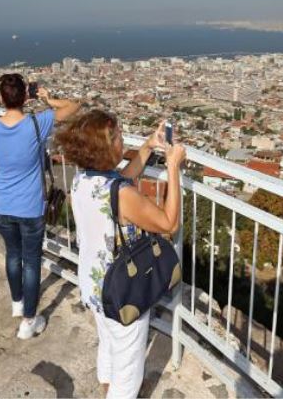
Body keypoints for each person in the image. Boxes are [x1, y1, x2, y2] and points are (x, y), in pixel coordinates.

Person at [54, 110, 185, 399]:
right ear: (105, 148)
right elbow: (168, 223)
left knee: (109, 343)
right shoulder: (122, 194)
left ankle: (106, 388)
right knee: (128, 365)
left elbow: (122, 178)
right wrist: (173, 167)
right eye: (118, 137)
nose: (123, 139)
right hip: (123, 288)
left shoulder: (83, 180)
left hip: (94, 283)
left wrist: (149, 145)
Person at [0, 73, 80, 339]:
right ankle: (28, 321)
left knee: (13, 254)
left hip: (2, 204)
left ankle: (17, 302)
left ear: (1, 98)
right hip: (31, 205)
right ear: (25, 96)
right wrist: (47, 98)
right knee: (31, 261)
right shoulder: (37, 123)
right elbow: (74, 106)